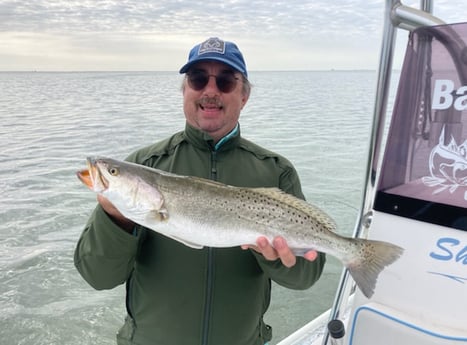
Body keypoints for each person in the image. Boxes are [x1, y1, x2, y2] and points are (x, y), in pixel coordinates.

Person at [74, 37, 326, 345]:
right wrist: (115, 217)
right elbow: (98, 276)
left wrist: (276, 258)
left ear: (244, 97)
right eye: (197, 79)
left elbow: (305, 276)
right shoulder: (145, 164)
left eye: (225, 81)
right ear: (185, 91)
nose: (210, 90)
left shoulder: (276, 171)